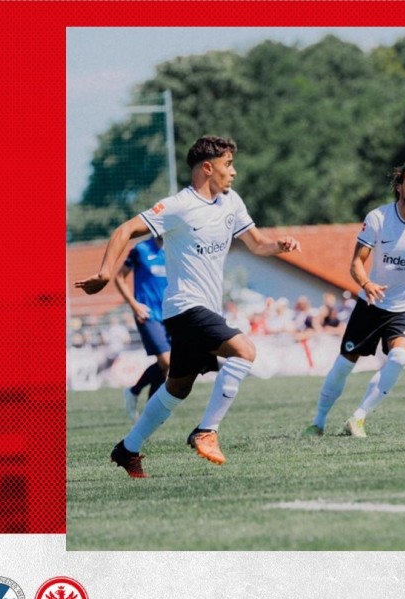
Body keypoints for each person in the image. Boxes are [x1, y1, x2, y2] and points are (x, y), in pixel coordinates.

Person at [75, 135, 301, 478]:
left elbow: (257, 245)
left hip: (205, 310)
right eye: (228, 165)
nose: (234, 172)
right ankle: (207, 430)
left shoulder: (232, 202)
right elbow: (125, 230)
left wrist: (278, 245)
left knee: (177, 387)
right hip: (184, 307)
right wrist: (106, 272)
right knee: (244, 350)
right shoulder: (179, 206)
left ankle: (127, 449)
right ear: (207, 168)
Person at [305, 163, 405, 437]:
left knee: (399, 357)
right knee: (345, 364)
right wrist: (367, 284)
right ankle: (318, 422)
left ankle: (358, 418)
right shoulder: (378, 218)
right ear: (399, 186)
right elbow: (356, 263)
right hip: (371, 303)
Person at [113, 235, 169, 420]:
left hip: (171, 315)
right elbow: (119, 277)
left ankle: (144, 407)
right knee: (167, 362)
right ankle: (137, 393)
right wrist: (134, 305)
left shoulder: (176, 248)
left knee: (166, 367)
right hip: (148, 315)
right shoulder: (141, 249)